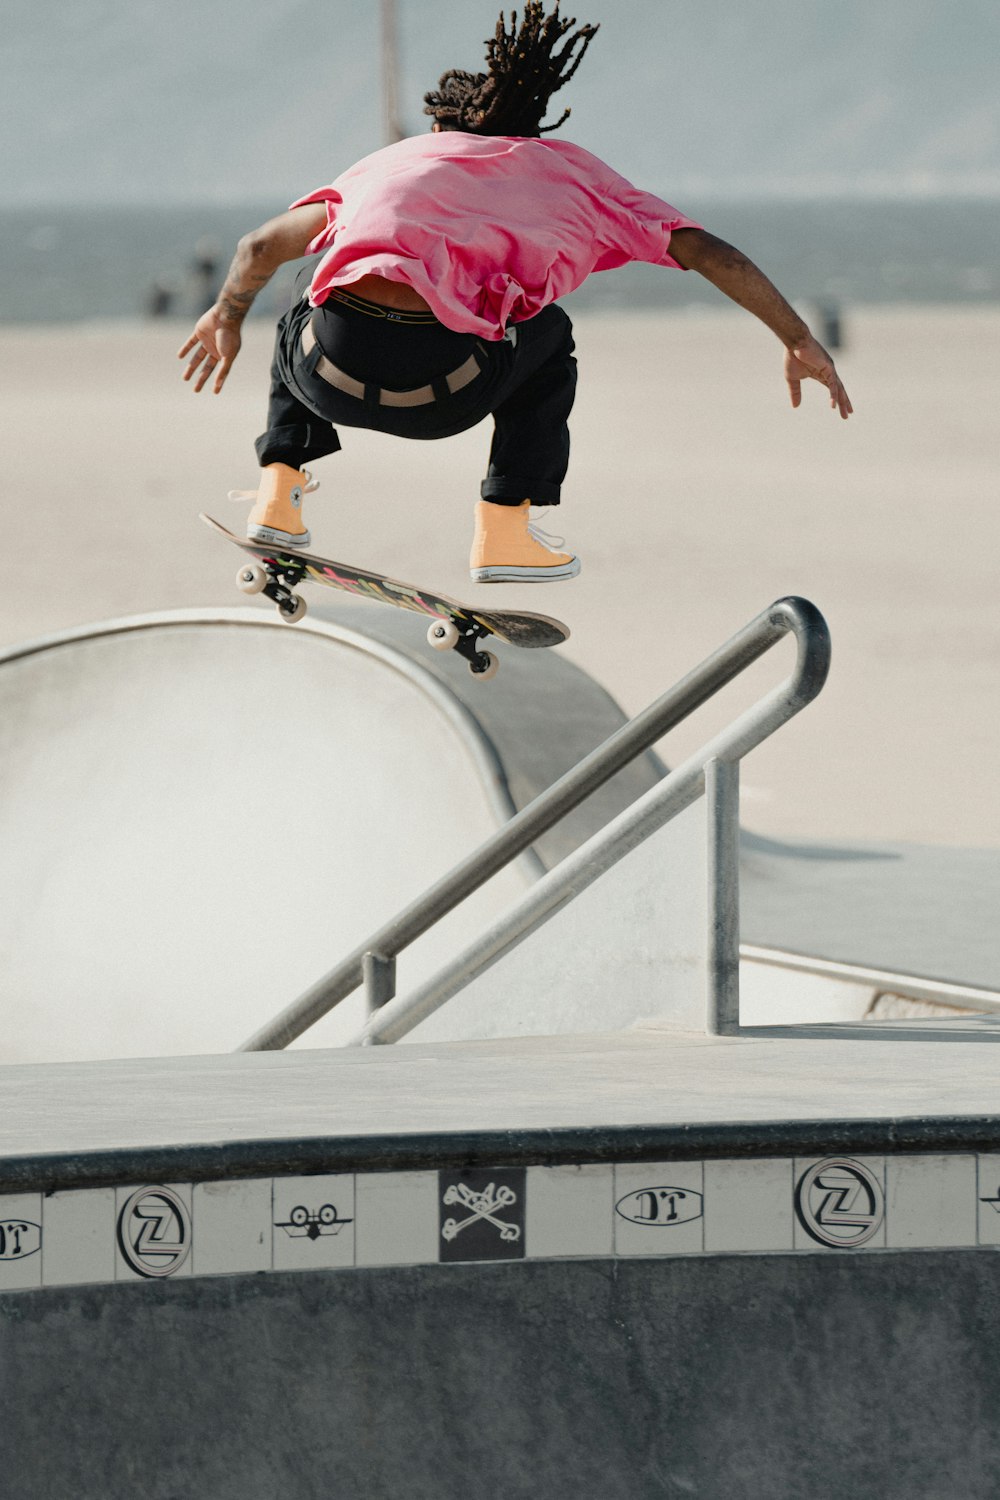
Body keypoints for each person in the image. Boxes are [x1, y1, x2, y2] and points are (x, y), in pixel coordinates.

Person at [179, 2, 851, 582]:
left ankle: (278, 495)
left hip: (327, 378)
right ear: (533, 132)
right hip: (447, 393)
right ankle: (504, 528)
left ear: (442, 128)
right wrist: (797, 339)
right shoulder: (574, 176)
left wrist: (226, 315)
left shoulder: (394, 162)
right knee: (549, 333)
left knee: (308, 297)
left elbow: (257, 248)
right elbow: (710, 252)